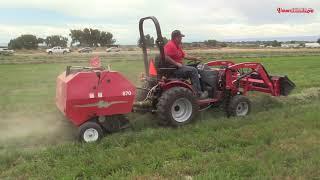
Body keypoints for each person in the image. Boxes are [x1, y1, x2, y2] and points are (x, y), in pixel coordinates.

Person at [164, 30, 208, 99]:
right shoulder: (170, 45)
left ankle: (200, 88)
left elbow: (185, 56)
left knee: (195, 67)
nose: (181, 38)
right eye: (180, 37)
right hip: (174, 70)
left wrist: (196, 58)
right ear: (176, 37)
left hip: (178, 67)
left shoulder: (177, 46)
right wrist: (176, 63)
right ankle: (198, 94)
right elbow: (165, 56)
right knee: (193, 70)